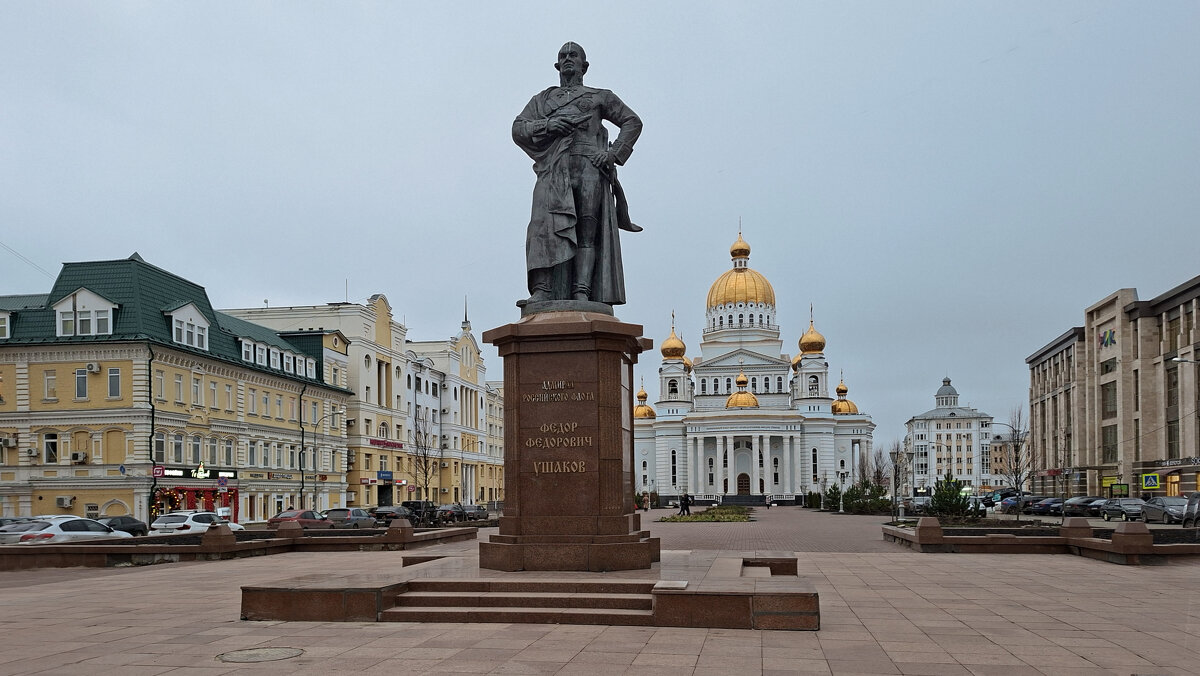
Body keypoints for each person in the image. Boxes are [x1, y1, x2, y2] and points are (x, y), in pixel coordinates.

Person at [513, 42, 643, 307]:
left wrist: (612, 154)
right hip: (553, 169)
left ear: (585, 65)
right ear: (557, 65)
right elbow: (518, 128)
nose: (568, 58)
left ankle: (582, 291)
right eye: (563, 56)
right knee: (542, 228)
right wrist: (548, 124)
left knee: (587, 232)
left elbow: (632, 121)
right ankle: (543, 290)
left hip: (588, 168)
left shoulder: (600, 96)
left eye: (574, 55)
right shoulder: (542, 100)